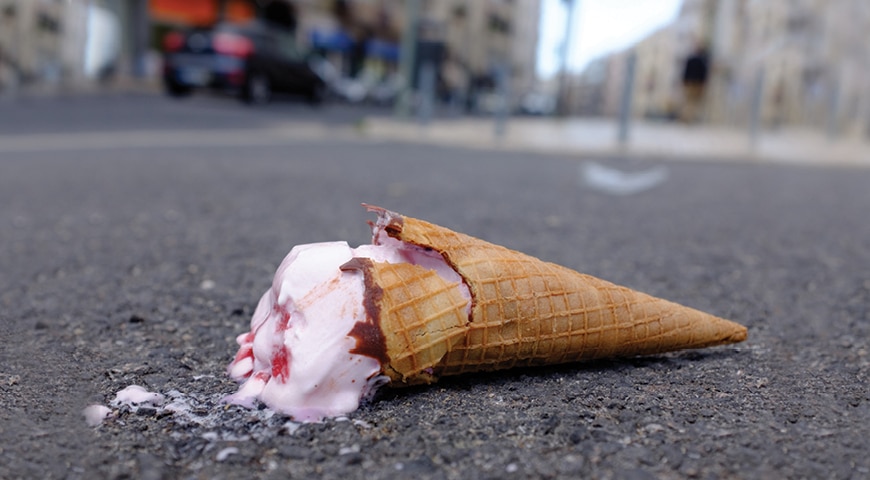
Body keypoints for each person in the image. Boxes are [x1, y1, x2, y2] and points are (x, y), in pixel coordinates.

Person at [680, 43, 710, 123]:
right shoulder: (702, 61)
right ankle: (689, 117)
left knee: (689, 101)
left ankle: (687, 117)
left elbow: (685, 72)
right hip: (696, 84)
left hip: (690, 83)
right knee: (692, 102)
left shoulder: (692, 59)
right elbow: (704, 74)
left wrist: (685, 81)